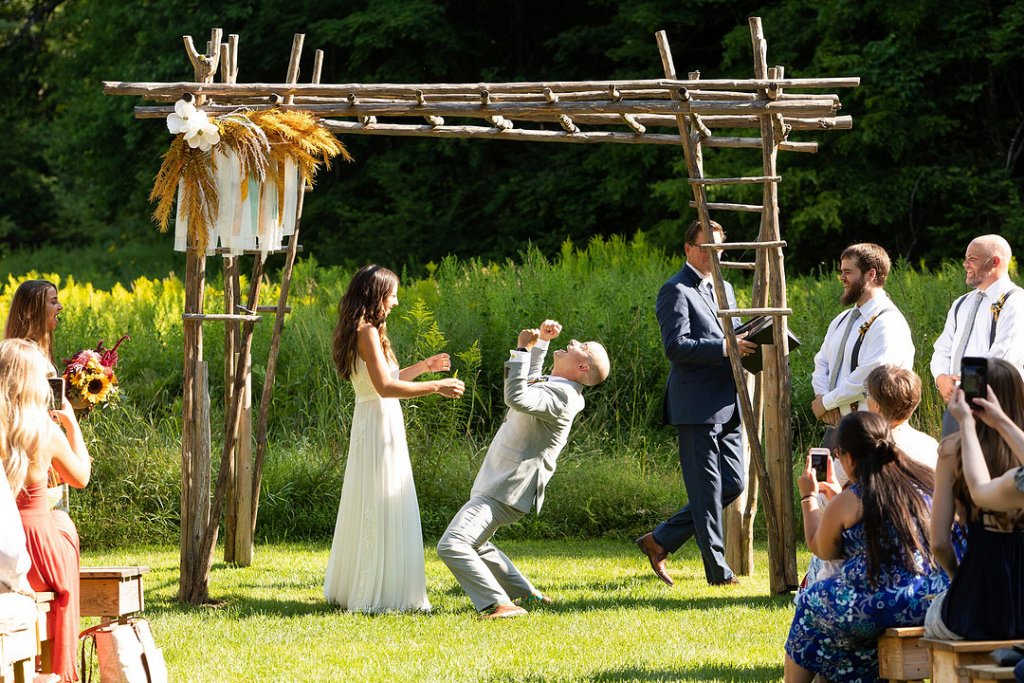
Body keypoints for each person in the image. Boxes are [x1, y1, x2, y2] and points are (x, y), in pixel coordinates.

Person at [437, 320, 609, 619]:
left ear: (582, 368)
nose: (574, 342)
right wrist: (540, 344)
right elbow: (531, 384)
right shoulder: (560, 388)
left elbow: (516, 396)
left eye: (582, 348)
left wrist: (521, 351)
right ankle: (526, 594)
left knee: (453, 544)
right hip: (502, 484)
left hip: (506, 487)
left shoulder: (565, 397)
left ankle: (499, 604)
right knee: (476, 544)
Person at [323, 265, 464, 613]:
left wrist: (424, 367)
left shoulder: (366, 330)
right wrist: (437, 387)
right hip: (377, 420)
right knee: (380, 500)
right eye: (393, 295)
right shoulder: (366, 331)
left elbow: (386, 378)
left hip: (377, 420)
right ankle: (378, 590)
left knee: (376, 498)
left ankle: (371, 583)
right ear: (377, 296)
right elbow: (385, 389)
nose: (397, 302)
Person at [635, 219, 756, 587]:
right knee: (705, 492)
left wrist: (752, 335)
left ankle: (660, 540)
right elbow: (676, 347)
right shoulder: (674, 290)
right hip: (695, 406)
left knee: (733, 484)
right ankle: (719, 574)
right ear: (688, 249)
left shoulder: (726, 289)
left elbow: (729, 337)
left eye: (719, 249)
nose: (713, 255)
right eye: (707, 248)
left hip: (728, 402)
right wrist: (725, 347)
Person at [784, 412, 948, 683]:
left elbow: (821, 548)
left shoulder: (853, 498)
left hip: (878, 604)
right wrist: (837, 497)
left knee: (811, 603)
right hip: (929, 601)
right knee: (844, 626)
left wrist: (808, 497)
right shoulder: (924, 481)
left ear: (848, 457)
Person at [0, 338, 91, 683]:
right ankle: (60, 665)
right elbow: (81, 476)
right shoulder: (46, 432)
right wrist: (71, 425)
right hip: (40, 554)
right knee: (62, 521)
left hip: (5, 550)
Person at [924, 360, 1024, 640]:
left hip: (978, 599)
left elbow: (939, 543)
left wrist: (958, 577)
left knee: (934, 612)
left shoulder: (952, 452)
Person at [811, 244, 914, 448]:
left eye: (848, 272)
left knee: (865, 481)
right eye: (841, 271)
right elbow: (821, 362)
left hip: (870, 431)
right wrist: (823, 400)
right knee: (821, 478)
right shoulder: (841, 320)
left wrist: (827, 402)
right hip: (835, 427)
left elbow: (871, 375)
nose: (842, 278)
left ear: (870, 274)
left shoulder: (888, 322)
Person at [931, 234, 1024, 437]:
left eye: (972, 259)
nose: (965, 264)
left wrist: (965, 387)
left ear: (995, 262)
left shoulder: (1016, 302)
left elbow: (1003, 356)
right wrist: (941, 378)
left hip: (995, 407)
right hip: (957, 406)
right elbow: (942, 348)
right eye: (966, 258)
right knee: (954, 466)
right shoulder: (960, 304)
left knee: (990, 468)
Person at [4, 279, 68, 511]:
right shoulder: (22, 356)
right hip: (30, 456)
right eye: (53, 301)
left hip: (45, 449)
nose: (60, 307)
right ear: (32, 310)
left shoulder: (40, 351)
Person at [865, 365, 938, 470]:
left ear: (877, 406)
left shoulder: (863, 448)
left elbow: (836, 481)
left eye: (867, 394)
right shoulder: (931, 445)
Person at [4, 279, 63, 371]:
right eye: (53, 302)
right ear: (30, 310)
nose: (60, 307)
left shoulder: (41, 349)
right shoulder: (20, 355)